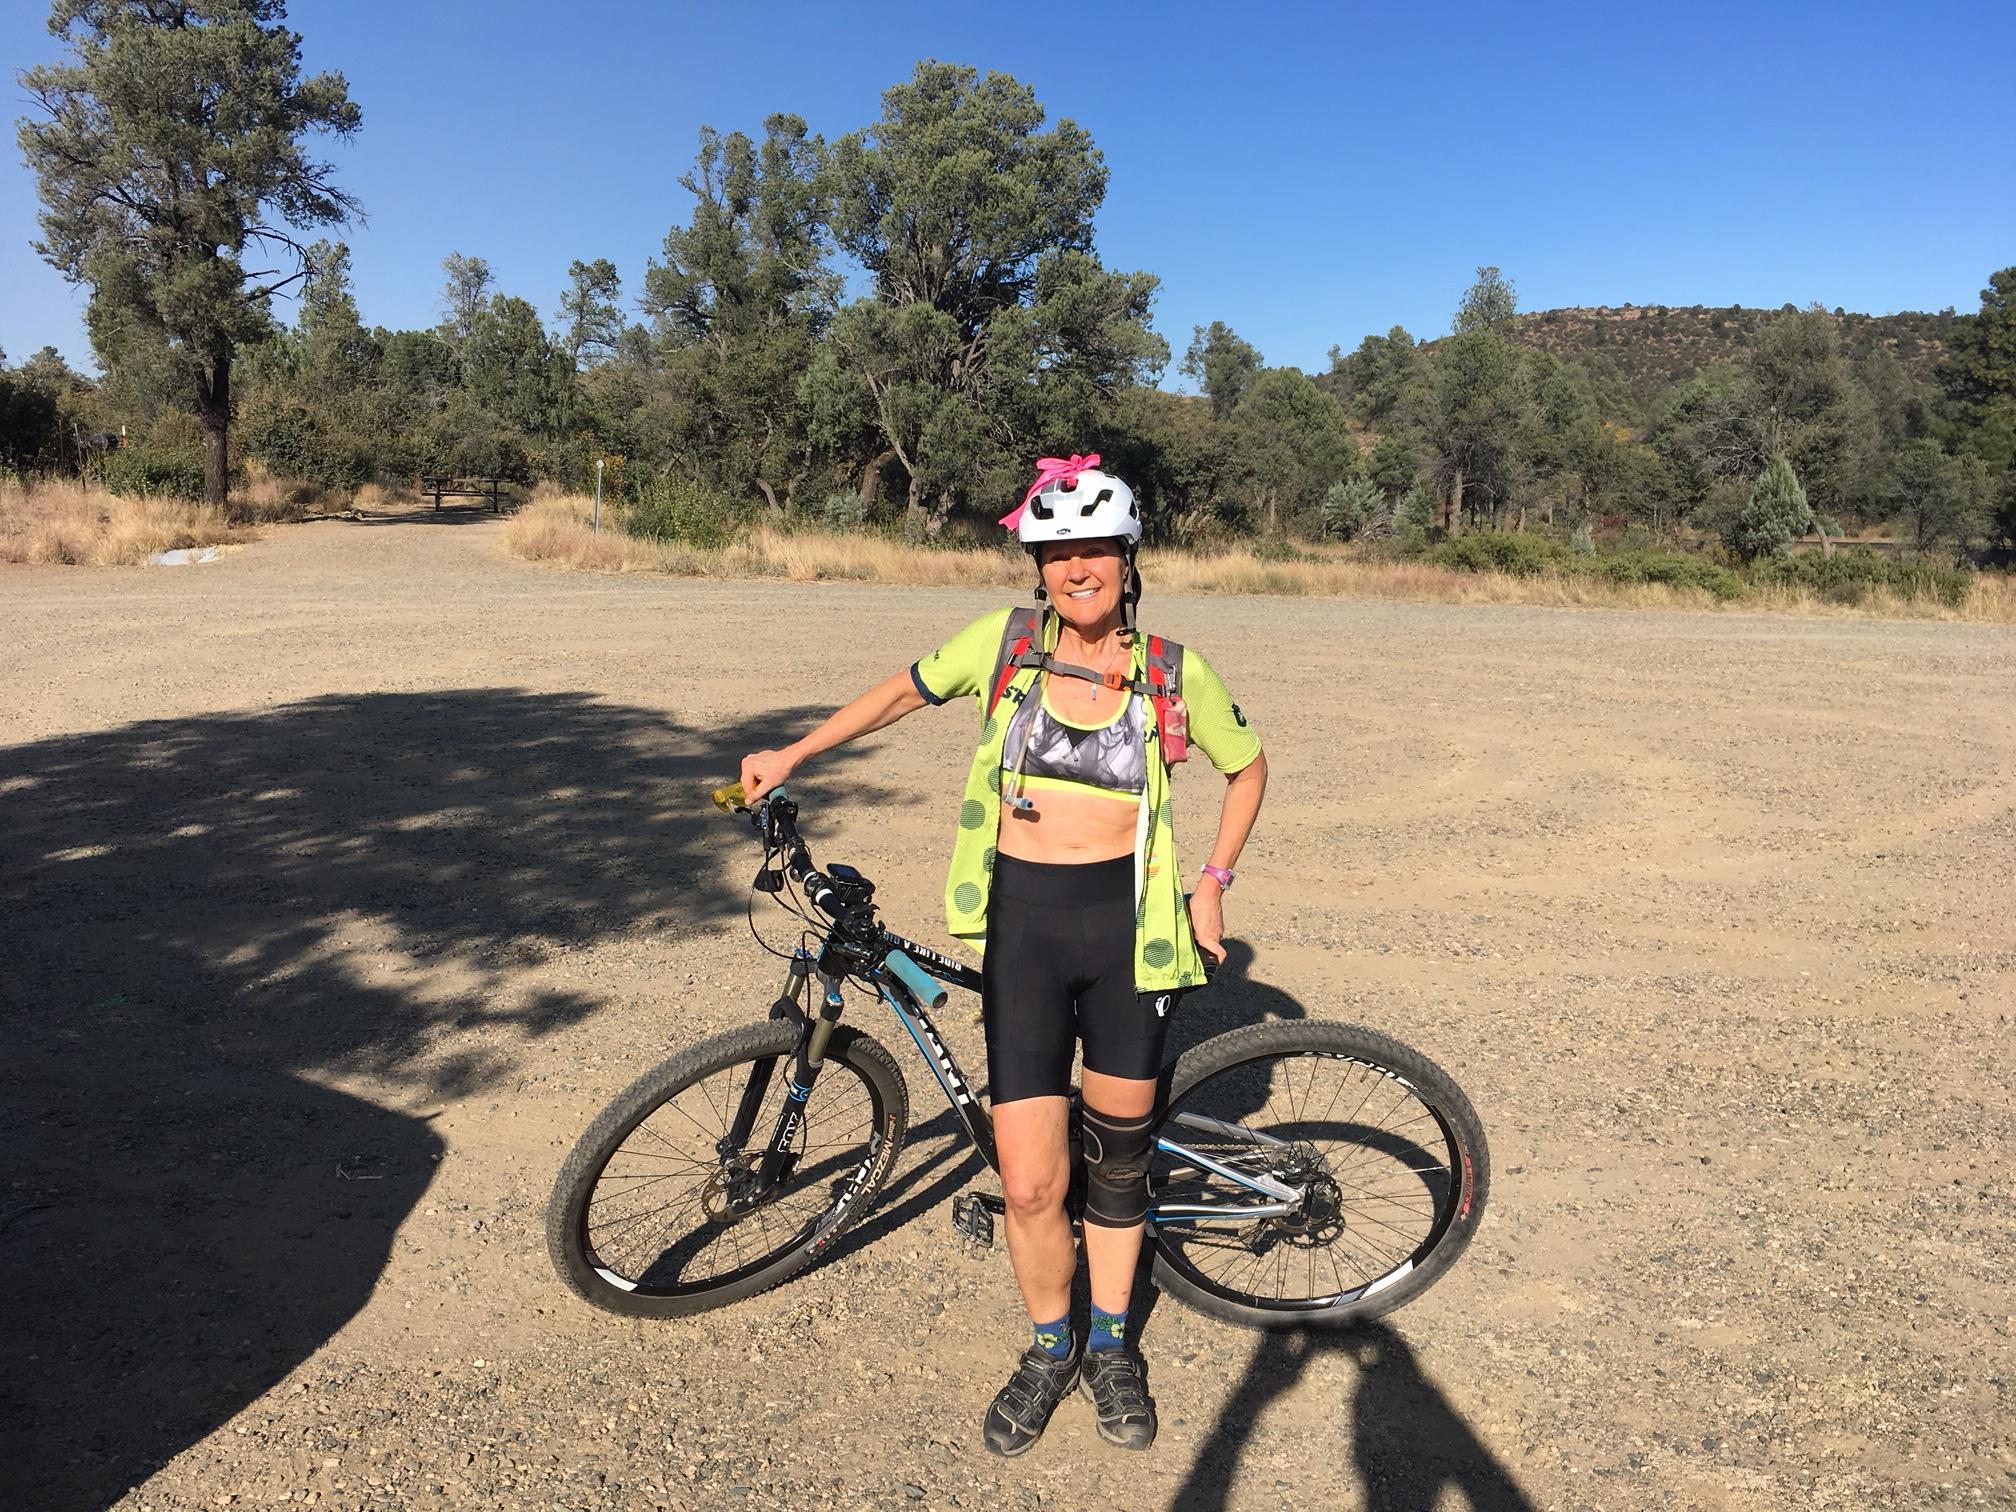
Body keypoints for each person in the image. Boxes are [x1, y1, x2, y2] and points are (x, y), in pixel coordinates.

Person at [739, 454, 1267, 1455]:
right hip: (1025, 927)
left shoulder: (1170, 669)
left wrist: (1212, 882)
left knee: (1116, 1169)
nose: (1077, 567)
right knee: (1029, 1182)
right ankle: (1047, 1344)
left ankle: (1112, 1344)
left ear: (1126, 557)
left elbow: (1249, 771)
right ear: (1039, 566)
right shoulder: (1008, 646)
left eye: (1094, 549)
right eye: (1057, 550)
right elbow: (902, 692)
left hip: (1130, 939)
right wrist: (796, 753)